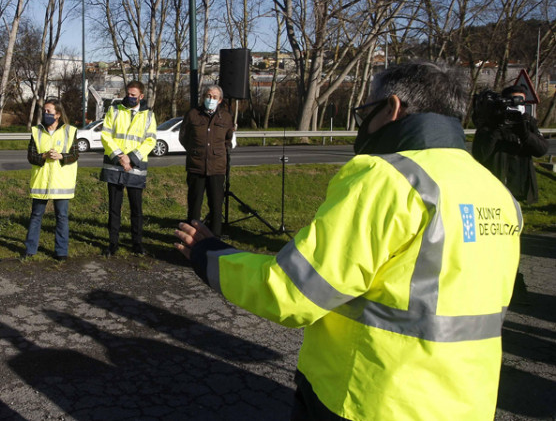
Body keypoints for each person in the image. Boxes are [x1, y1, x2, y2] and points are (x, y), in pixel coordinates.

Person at [174, 62, 522, 420]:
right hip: (467, 403)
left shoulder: (387, 178)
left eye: (366, 110)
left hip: (371, 397)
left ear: (393, 108)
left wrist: (209, 255)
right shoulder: (495, 191)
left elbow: (291, 292)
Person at [100, 81, 157, 256]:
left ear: (141, 96)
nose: (130, 97)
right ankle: (113, 244)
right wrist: (120, 157)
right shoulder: (114, 110)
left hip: (135, 166)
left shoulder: (148, 115)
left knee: (136, 209)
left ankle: (137, 243)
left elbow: (150, 140)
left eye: (134, 95)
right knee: (114, 208)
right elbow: (105, 135)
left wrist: (131, 159)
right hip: (115, 166)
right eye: (128, 94)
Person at [472, 84, 549, 205]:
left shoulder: (527, 122)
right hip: (497, 188)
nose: (518, 106)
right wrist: (497, 129)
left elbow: (541, 150)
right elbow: (480, 155)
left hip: (522, 190)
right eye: (514, 101)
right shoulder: (491, 124)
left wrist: (526, 135)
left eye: (521, 102)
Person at [24, 99, 79, 261]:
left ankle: (61, 251)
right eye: (44, 111)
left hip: (61, 183)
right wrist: (43, 156)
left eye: (49, 111)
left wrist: (61, 156)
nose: (45, 114)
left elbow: (75, 154)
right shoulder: (36, 131)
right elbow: (31, 156)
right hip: (41, 182)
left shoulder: (70, 131)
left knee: (61, 217)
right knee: (36, 216)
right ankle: (30, 250)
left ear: (58, 114)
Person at [179, 84, 235, 236]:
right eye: (208, 96)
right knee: (194, 206)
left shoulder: (226, 117)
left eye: (214, 97)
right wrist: (195, 151)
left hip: (217, 169)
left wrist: (218, 153)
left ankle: (214, 240)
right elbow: (183, 137)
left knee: (216, 207)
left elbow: (228, 140)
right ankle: (191, 240)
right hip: (196, 167)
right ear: (204, 97)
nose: (211, 99)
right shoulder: (192, 114)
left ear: (220, 100)